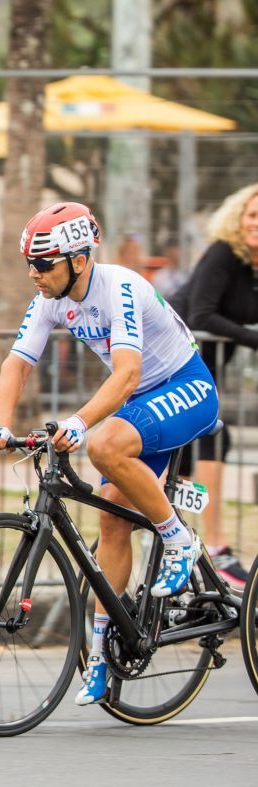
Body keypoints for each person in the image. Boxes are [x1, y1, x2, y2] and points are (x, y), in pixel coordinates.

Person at [0, 202, 218, 707]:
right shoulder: (51, 298)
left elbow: (128, 374)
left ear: (80, 260)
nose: (33, 274)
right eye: (30, 262)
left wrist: (79, 422)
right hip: (143, 401)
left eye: (42, 264)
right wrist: (1, 427)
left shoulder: (121, 287)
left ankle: (179, 541)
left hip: (187, 386)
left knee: (105, 443)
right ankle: (102, 658)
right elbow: (16, 365)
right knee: (111, 522)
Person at [169, 184, 258, 588]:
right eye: (252, 215)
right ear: (238, 219)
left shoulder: (253, 269)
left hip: (209, 368)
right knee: (212, 439)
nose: (256, 224)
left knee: (185, 463)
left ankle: (186, 544)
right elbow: (202, 314)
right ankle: (215, 547)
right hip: (173, 359)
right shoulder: (223, 255)